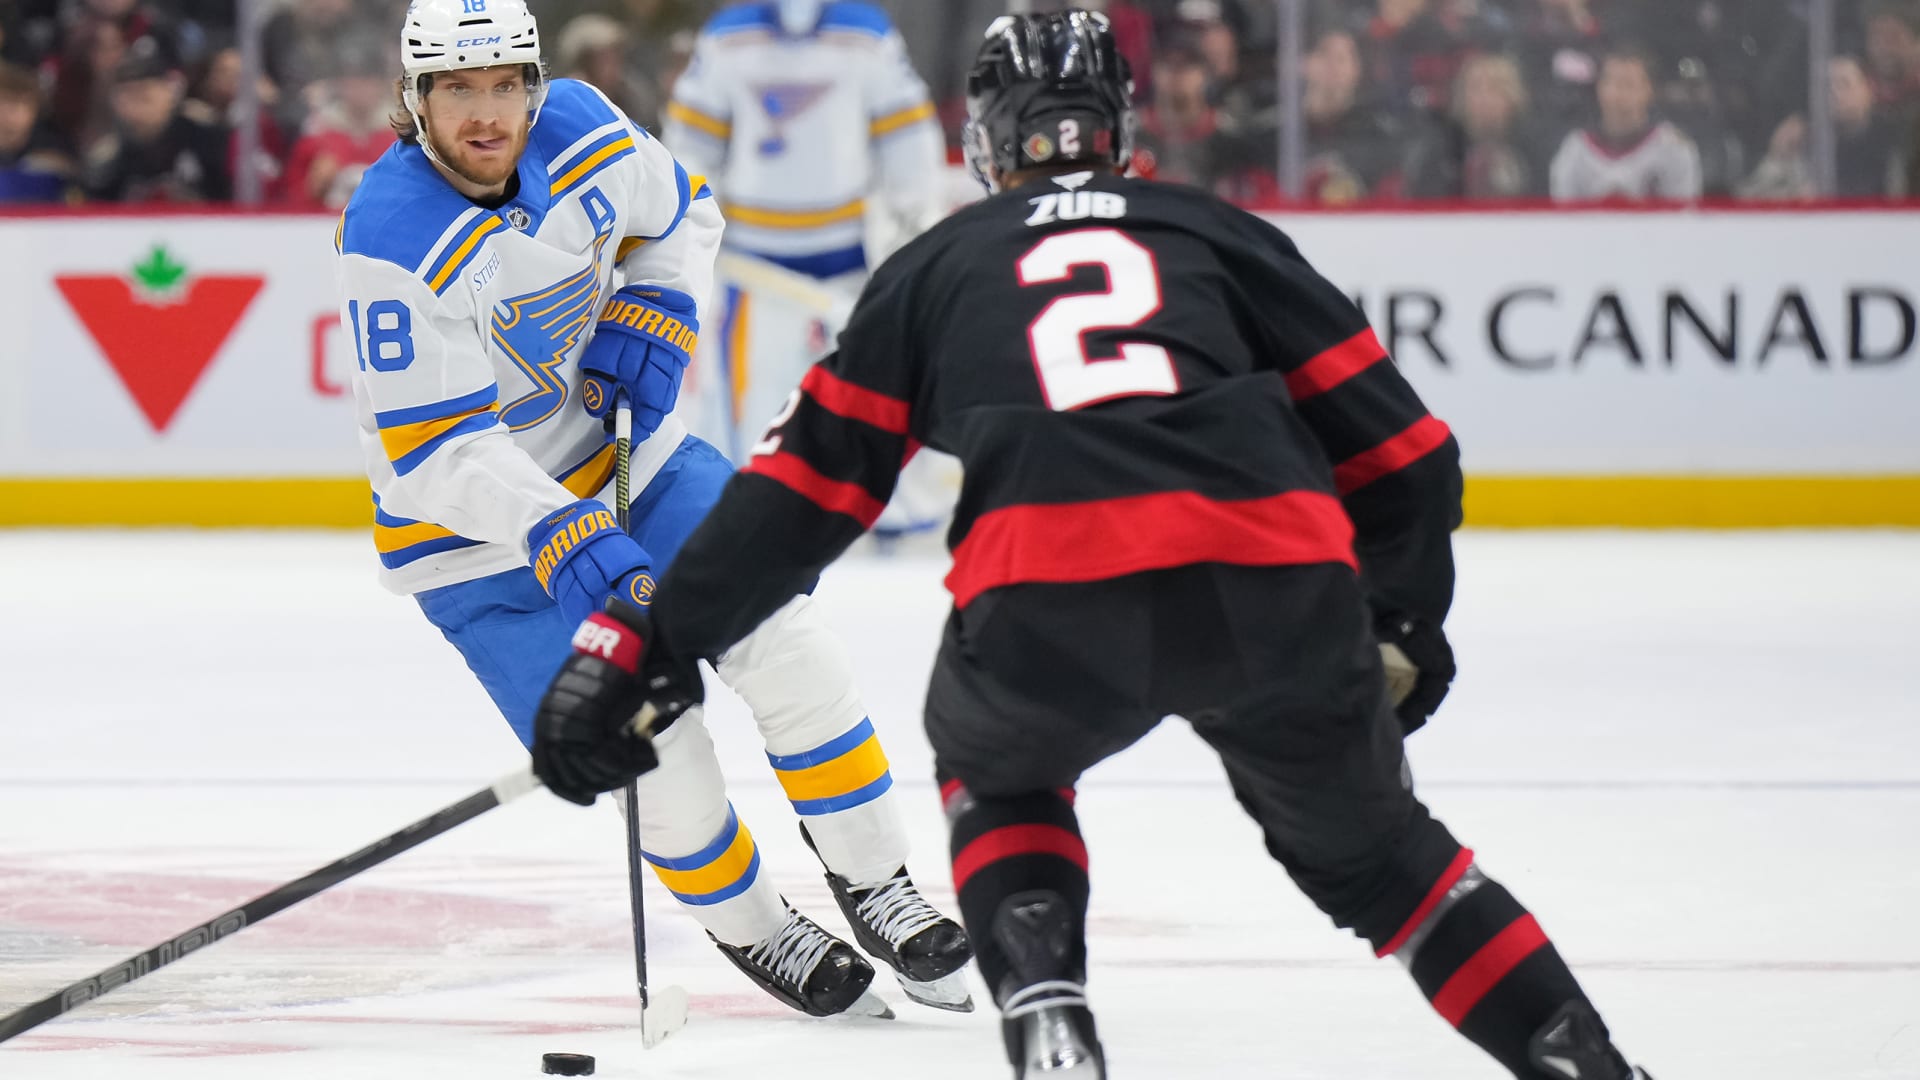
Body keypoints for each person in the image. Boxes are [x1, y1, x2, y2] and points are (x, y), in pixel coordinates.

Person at [529, 10, 1660, 1080]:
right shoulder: (1220, 233)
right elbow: (1408, 456)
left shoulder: (937, 267)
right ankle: (1583, 1061)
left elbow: (797, 498)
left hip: (1050, 590)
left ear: (986, 141)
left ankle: (1051, 1018)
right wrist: (1403, 614)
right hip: (1274, 577)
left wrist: (651, 648)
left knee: (1003, 779)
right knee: (1387, 866)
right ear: (1121, 126)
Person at [333, 0, 969, 1018]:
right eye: (457, 90)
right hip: (478, 546)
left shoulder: (584, 125)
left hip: (638, 462)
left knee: (786, 642)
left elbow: (684, 214)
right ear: (416, 102)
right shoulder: (392, 235)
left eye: (504, 85)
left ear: (534, 84)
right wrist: (555, 526)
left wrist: (660, 299)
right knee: (656, 750)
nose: (486, 113)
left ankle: (877, 880)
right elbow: (433, 453)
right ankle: (757, 928)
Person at [663, 0, 953, 535]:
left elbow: (907, 138)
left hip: (846, 266)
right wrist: (690, 222)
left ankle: (878, 507)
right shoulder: (727, 38)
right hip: (753, 269)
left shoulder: (867, 35)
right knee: (754, 413)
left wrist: (916, 221)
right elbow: (690, 148)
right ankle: (754, 512)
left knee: (865, 394)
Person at [1549, 45, 1702, 202]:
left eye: (1628, 84)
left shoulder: (1673, 148)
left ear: (1649, 90)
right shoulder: (1575, 150)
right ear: (1599, 88)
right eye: (1610, 83)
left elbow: (1684, 210)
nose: (1617, 94)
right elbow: (1562, 210)